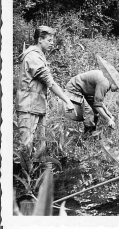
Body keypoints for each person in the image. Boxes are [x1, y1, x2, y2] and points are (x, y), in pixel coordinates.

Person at [15, 26, 76, 157]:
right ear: (40, 40)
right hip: (28, 108)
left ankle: (37, 176)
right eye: (49, 40)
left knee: (39, 148)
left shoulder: (40, 56)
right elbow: (50, 82)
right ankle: (24, 176)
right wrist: (67, 101)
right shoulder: (33, 57)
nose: (52, 43)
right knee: (26, 148)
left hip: (37, 107)